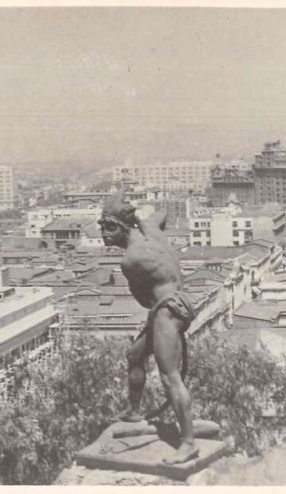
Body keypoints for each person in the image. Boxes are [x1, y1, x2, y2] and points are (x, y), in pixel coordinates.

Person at [98, 190, 199, 465]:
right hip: (171, 304)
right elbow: (160, 214)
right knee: (135, 355)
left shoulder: (130, 259)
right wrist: (144, 217)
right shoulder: (151, 231)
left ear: (119, 227)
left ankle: (188, 442)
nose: (103, 236)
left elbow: (142, 299)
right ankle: (134, 411)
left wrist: (155, 310)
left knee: (169, 376)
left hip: (167, 310)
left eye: (107, 228)